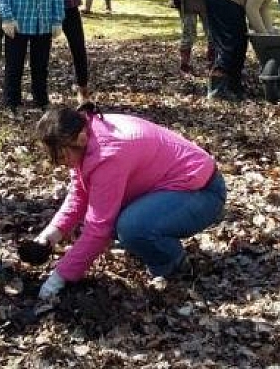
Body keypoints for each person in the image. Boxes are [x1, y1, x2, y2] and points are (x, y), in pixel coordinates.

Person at [33, 103, 227, 299]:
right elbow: (80, 194)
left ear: (80, 139)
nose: (61, 163)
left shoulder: (107, 153)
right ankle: (148, 244)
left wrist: (59, 277)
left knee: (130, 227)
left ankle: (173, 262)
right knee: (121, 221)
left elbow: (98, 228)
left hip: (204, 192)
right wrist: (50, 236)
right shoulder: (87, 134)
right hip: (171, 187)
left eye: (62, 156)